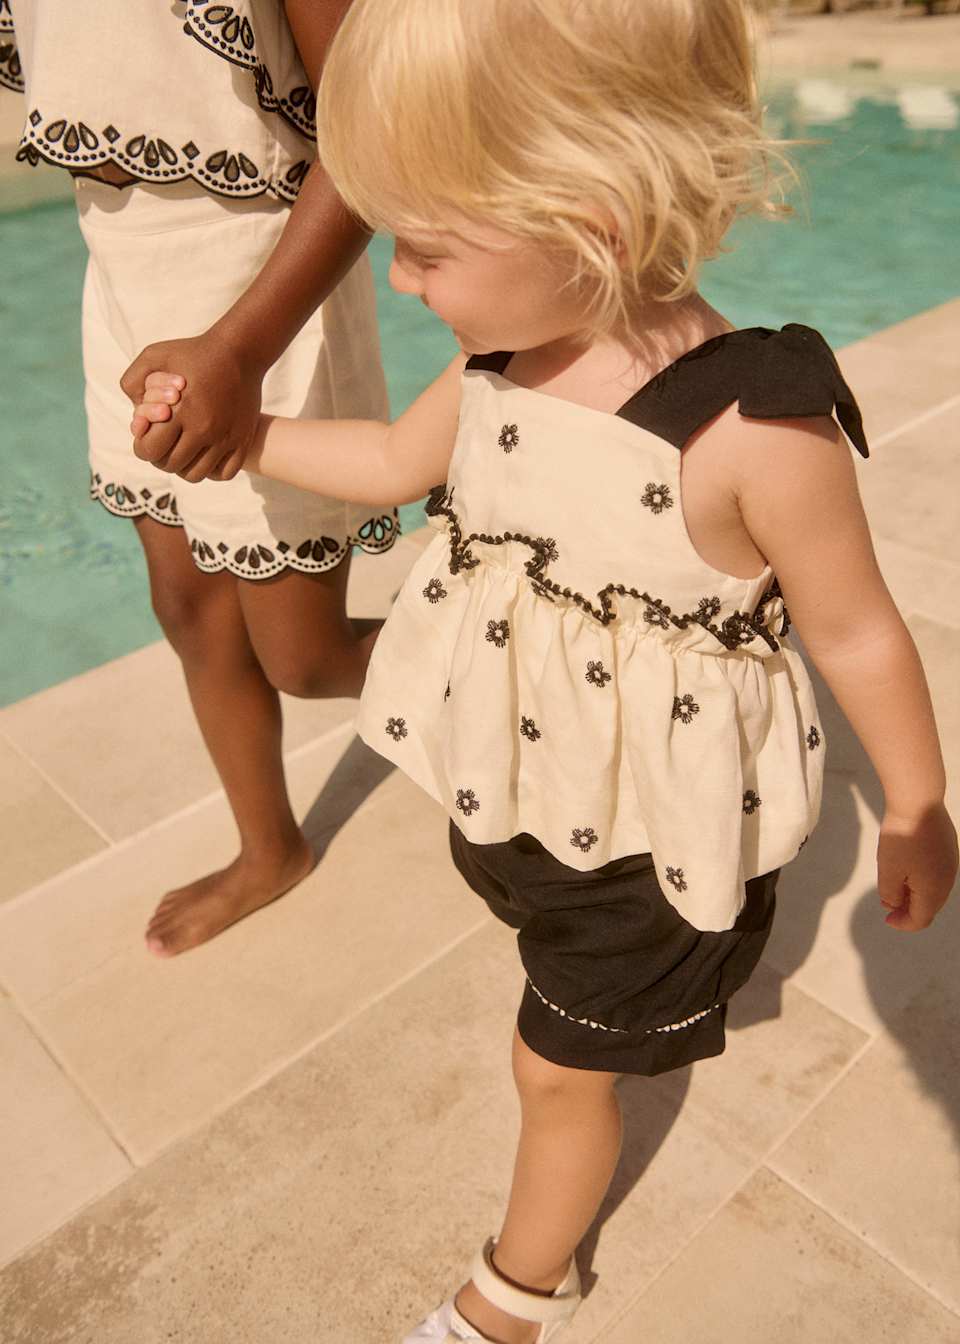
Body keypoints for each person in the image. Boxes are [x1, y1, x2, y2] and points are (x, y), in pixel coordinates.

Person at [132, 0, 959, 1339]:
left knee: (555, 1072)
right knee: (544, 967)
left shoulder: (753, 430)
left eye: (424, 245)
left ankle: (517, 1291)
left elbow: (857, 630)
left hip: (648, 844)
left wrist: (916, 804)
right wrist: (249, 436)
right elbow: (389, 466)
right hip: (531, 790)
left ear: (591, 226)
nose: (402, 280)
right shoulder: (500, 358)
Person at [4, 0, 397, 957]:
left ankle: (528, 660)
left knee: (304, 658)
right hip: (120, 278)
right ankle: (270, 847)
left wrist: (240, 352)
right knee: (188, 607)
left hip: (262, 296)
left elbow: (372, 132)